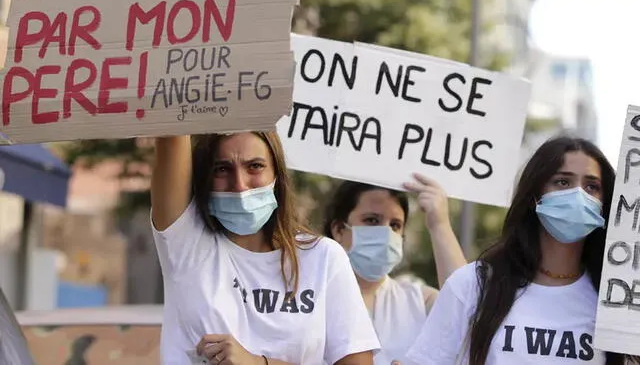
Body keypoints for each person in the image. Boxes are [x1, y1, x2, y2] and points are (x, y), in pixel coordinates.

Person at [406, 136, 640, 365]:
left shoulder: (617, 299)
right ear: (535, 195)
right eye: (563, 182)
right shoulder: (473, 284)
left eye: (592, 186)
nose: (578, 195)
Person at [150, 133, 380, 365]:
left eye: (255, 166)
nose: (239, 185)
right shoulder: (186, 246)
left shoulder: (323, 257)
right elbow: (172, 128)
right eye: (222, 169)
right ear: (205, 179)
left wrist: (258, 363)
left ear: (277, 177)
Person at [323, 174, 467, 365]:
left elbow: (468, 312)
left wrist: (439, 224)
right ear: (339, 230)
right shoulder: (309, 298)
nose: (386, 232)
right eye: (372, 220)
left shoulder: (421, 303)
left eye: (395, 225)